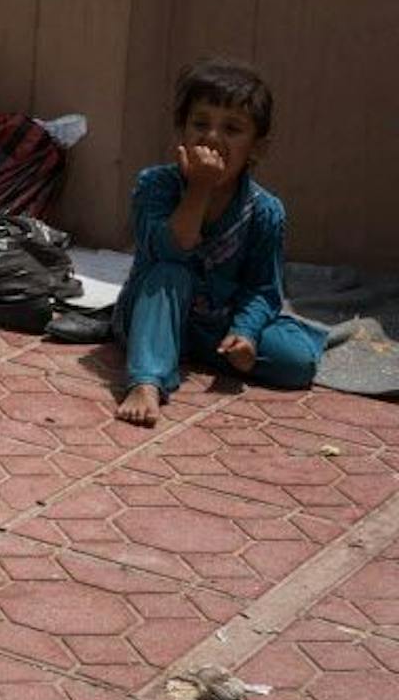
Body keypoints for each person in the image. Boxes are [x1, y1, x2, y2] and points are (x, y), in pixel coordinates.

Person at [114, 60, 325, 428]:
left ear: (258, 148)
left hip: (216, 319)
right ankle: (147, 378)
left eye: (231, 129)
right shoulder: (155, 186)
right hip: (155, 306)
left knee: (297, 361)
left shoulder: (265, 211)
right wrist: (199, 188)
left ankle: (188, 348)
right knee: (170, 272)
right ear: (181, 132)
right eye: (200, 124)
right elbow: (169, 250)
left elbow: (262, 288)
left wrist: (245, 332)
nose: (212, 138)